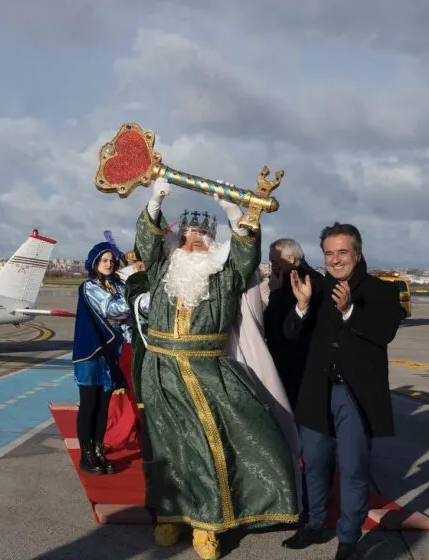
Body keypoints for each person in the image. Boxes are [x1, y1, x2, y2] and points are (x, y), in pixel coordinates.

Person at [133, 181, 299, 560]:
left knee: (210, 447)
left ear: (213, 244)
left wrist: (231, 211)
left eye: (203, 237)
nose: (195, 242)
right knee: (166, 448)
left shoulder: (224, 278)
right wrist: (155, 199)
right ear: (177, 243)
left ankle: (207, 526)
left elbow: (245, 254)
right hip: (160, 370)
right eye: (189, 236)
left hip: (207, 372)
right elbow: (146, 243)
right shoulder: (162, 270)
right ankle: (170, 516)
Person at [281, 223, 403, 560]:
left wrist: (350, 310)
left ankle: (348, 537)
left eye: (343, 252)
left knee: (353, 467)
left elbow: (384, 332)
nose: (335, 260)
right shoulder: (314, 289)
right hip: (316, 393)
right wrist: (302, 306)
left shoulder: (382, 291)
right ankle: (314, 524)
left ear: (358, 253)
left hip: (355, 394)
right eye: (329, 253)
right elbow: (291, 334)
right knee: (315, 462)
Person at [71, 240, 132, 475]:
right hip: (91, 352)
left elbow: (128, 319)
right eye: (104, 260)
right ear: (95, 262)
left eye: (111, 260)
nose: (108, 264)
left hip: (111, 352)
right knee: (89, 404)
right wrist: (136, 296)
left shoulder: (119, 285)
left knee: (104, 406)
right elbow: (111, 309)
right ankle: (86, 456)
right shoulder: (89, 286)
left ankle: (98, 451)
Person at [264, 238, 324, 409]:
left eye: (275, 261)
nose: (272, 266)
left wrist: (274, 294)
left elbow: (275, 324)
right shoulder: (315, 278)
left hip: (293, 362)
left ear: (290, 260)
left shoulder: (298, 282)